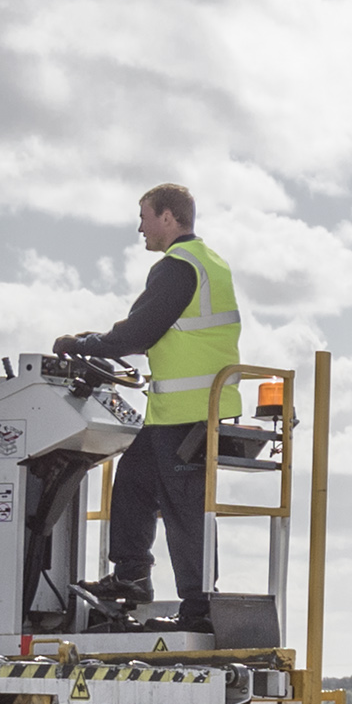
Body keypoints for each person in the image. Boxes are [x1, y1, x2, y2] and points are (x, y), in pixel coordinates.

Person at [56, 184, 239, 625]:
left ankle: (199, 611)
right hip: (178, 413)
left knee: (186, 513)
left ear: (168, 218)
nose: (140, 227)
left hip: (191, 413)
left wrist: (82, 345)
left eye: (144, 217)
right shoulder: (210, 261)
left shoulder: (177, 267)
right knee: (134, 482)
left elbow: (139, 332)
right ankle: (132, 575)